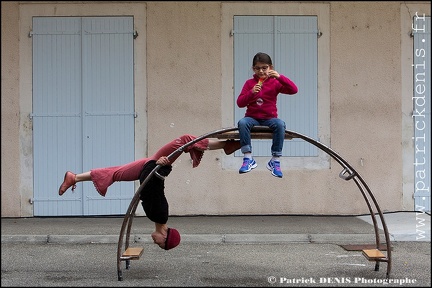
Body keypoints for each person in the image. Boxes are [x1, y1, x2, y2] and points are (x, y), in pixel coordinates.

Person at [58, 134, 240, 250]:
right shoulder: (160, 214)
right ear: (165, 235)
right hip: (154, 166)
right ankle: (225, 145)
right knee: (185, 140)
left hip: (150, 167)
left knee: (115, 173)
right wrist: (162, 167)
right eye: (161, 244)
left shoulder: (156, 217)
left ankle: (74, 178)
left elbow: (151, 188)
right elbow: (155, 186)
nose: (157, 243)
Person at [236, 52, 298, 178]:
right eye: (258, 68)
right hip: (252, 118)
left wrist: (280, 77)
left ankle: (275, 160)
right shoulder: (249, 83)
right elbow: (240, 103)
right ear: (253, 69)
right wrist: (251, 93)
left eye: (264, 68)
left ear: (270, 68)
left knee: (280, 124)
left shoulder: (275, 82)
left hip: (270, 118)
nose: (261, 71)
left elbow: (294, 90)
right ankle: (248, 158)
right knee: (242, 123)